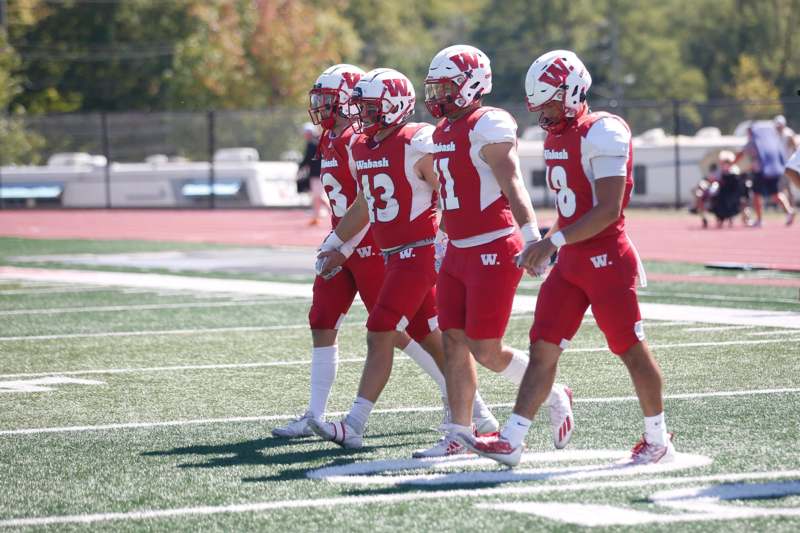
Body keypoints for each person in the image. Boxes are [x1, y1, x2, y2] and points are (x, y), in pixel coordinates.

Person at [460, 50, 674, 467]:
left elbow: (608, 209)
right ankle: (512, 439)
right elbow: (573, 208)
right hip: (572, 261)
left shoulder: (604, 130)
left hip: (606, 260)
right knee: (542, 349)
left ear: (573, 91)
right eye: (541, 108)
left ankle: (658, 438)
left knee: (630, 348)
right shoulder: (558, 134)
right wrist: (550, 241)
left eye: (553, 105)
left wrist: (551, 242)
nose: (547, 115)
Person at [272, 65, 491, 438]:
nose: (322, 108)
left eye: (329, 100)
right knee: (322, 319)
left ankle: (470, 407)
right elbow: (356, 203)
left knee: (407, 330)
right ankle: (315, 414)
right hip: (345, 241)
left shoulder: (374, 140)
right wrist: (334, 242)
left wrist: (346, 245)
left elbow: (375, 203)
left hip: (376, 246)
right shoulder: (338, 140)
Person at [413, 44, 574, 459]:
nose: (438, 96)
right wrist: (441, 242)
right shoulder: (444, 131)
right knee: (452, 340)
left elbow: (512, 184)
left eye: (447, 87)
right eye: (435, 87)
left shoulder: (489, 123)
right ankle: (458, 433)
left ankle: (554, 393)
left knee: (485, 347)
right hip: (458, 250)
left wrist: (530, 238)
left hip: (492, 247)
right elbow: (452, 197)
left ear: (472, 85)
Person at [734, 122, 795, 226]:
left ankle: (759, 219)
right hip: (774, 172)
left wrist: (733, 162)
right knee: (776, 194)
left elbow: (742, 153)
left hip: (760, 173)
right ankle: (789, 211)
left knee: (757, 195)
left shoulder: (754, 141)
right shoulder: (772, 141)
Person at [297, 122, 330, 225]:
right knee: (316, 197)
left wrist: (300, 167)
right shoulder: (317, 142)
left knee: (318, 196)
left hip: (316, 173)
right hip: (319, 172)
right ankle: (316, 217)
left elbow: (307, 159)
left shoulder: (312, 143)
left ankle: (333, 212)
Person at [775, 115, 798, 212]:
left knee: (788, 187)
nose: (778, 127)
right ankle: (788, 209)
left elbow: (795, 148)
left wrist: (794, 161)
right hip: (779, 165)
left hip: (788, 164)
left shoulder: (788, 134)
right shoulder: (774, 134)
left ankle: (791, 207)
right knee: (780, 188)